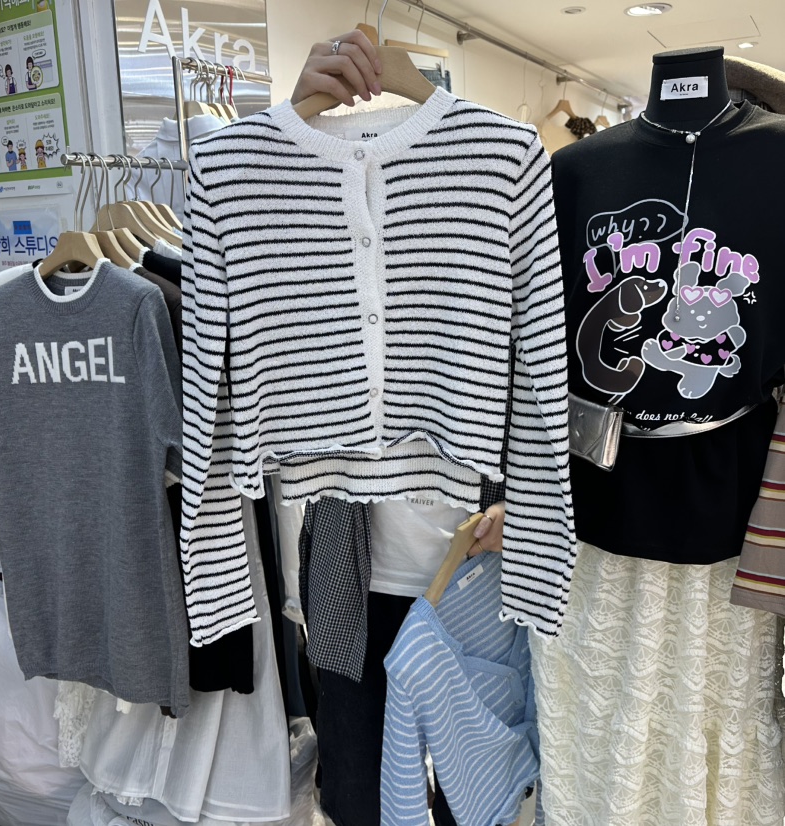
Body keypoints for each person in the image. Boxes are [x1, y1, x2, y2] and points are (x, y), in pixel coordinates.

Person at [289, 30, 508, 826]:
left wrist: (520, 499)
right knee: (357, 787)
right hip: (349, 567)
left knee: (468, 782)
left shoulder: (486, 185)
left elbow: (531, 360)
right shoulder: (302, 209)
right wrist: (294, 119)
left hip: (467, 564)